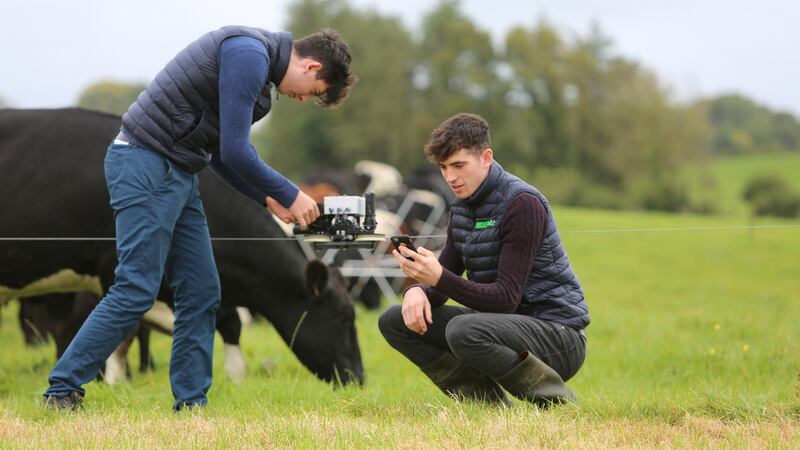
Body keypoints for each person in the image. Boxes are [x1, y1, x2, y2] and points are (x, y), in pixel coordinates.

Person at [43, 26, 355, 411]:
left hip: (180, 172)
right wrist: (292, 193)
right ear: (310, 66)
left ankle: (191, 402)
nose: (304, 99)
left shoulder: (259, 83)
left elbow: (221, 154)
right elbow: (239, 152)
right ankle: (62, 389)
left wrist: (267, 197)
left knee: (203, 290)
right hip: (145, 162)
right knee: (137, 287)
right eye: (313, 92)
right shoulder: (248, 54)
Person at [379, 113, 589, 407]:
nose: (450, 177)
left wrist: (438, 277)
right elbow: (441, 286)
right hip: (504, 327)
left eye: (458, 165)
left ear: (486, 157)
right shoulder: (462, 209)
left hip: (558, 337)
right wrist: (415, 288)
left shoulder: (522, 204)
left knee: (464, 331)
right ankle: (486, 405)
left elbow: (505, 299)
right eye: (443, 167)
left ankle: (555, 401)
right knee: (394, 320)